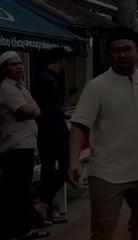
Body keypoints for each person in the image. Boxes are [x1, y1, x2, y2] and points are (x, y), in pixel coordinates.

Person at [68, 28, 138, 240]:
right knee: (103, 230)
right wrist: (74, 161)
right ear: (109, 54)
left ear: (137, 52)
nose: (122, 55)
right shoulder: (96, 86)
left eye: (127, 50)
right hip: (106, 171)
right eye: (116, 51)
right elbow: (79, 125)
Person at [0, 51, 49, 240]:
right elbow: (24, 111)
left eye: (20, 63)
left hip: (25, 146)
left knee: (21, 191)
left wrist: (33, 109)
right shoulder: (6, 88)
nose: (19, 67)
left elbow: (35, 108)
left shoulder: (21, 87)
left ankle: (23, 229)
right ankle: (17, 231)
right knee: (16, 192)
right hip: (14, 147)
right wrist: (33, 109)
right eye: (14, 64)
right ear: (4, 69)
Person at [31, 49, 70, 225]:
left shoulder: (45, 77)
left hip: (48, 130)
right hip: (53, 131)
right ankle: (45, 203)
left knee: (49, 168)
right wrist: (62, 115)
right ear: (62, 60)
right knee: (65, 166)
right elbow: (50, 107)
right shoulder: (47, 79)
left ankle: (46, 206)